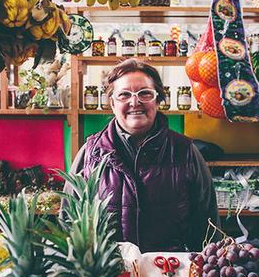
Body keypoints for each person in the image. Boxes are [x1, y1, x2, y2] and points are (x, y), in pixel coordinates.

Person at [67, 58, 219, 252]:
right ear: (112, 103)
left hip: (169, 273)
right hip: (110, 276)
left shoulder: (185, 152)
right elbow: (69, 221)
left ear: (158, 100)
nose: (134, 102)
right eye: (124, 95)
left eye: (145, 93)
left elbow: (208, 228)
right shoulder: (90, 153)